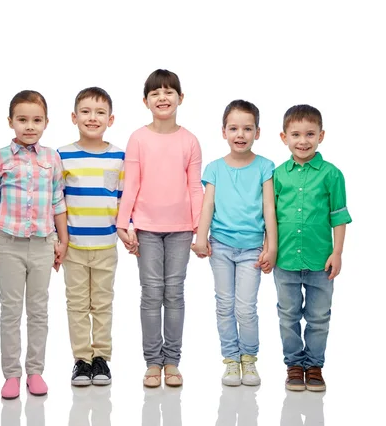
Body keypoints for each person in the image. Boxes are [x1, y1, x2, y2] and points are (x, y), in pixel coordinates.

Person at [0, 90, 68, 399]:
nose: (30, 126)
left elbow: (58, 200)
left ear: (45, 123)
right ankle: (11, 375)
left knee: (39, 310)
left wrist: (62, 240)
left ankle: (35, 371)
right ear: (11, 122)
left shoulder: (51, 158)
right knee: (11, 310)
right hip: (9, 243)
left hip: (43, 244)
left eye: (37, 120)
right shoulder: (1, 158)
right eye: (23, 119)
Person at [116, 69, 204, 387]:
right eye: (155, 93)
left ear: (181, 98)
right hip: (147, 228)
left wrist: (200, 229)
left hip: (181, 229)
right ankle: (153, 362)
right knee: (152, 294)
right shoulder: (138, 138)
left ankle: (173, 362)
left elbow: (195, 188)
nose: (162, 97)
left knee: (175, 293)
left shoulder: (190, 141)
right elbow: (132, 184)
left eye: (169, 91)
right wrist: (122, 223)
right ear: (145, 101)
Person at [192, 99, 277, 386]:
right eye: (234, 128)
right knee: (224, 304)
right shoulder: (215, 168)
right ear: (224, 132)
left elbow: (269, 208)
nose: (240, 134)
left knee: (245, 307)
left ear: (258, 132)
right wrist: (200, 238)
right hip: (221, 247)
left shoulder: (266, 167)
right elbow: (207, 206)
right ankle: (230, 360)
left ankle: (249, 360)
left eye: (247, 129)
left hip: (252, 248)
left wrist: (271, 245)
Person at [273, 104, 352, 392]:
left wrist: (338, 252)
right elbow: (270, 217)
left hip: (321, 261)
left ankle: (314, 365)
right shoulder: (278, 175)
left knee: (319, 316)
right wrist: (269, 250)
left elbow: (339, 216)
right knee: (288, 315)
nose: (302, 141)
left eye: (309, 134)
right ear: (284, 137)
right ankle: (294, 365)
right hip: (285, 260)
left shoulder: (332, 174)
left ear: (321, 136)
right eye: (295, 134)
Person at [57, 87, 125, 387]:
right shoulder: (63, 155)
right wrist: (57, 242)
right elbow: (56, 201)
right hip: (73, 246)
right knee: (76, 303)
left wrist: (127, 229)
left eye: (100, 113)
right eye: (85, 112)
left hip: (106, 245)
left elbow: (123, 199)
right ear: (74, 117)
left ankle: (101, 359)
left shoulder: (118, 156)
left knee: (102, 302)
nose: (92, 118)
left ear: (110, 119)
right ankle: (81, 360)